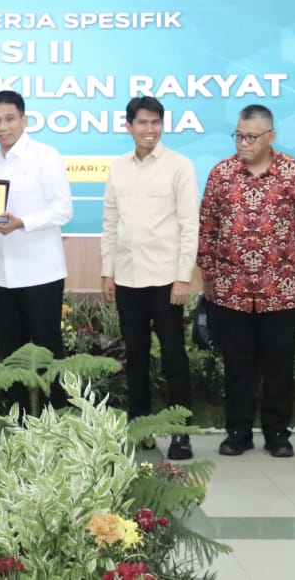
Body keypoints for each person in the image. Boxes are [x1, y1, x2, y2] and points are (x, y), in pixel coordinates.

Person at [197, 104, 295, 459]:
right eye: (238, 136)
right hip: (230, 290)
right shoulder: (221, 174)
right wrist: (208, 274)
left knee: (279, 365)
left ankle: (277, 434)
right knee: (237, 365)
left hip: (282, 289)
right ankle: (237, 432)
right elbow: (207, 228)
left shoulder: (293, 173)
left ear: (271, 137)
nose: (243, 143)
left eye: (251, 137)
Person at [0, 91, 73, 410]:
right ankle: (18, 422)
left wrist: (22, 223)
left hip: (41, 273)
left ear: (24, 119)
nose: (2, 126)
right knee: (11, 353)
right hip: (2, 274)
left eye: (9, 119)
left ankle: (56, 422)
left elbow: (63, 210)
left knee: (47, 353)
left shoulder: (45, 156)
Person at [100, 96, 198, 460]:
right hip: (127, 277)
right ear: (129, 127)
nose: (149, 129)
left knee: (174, 356)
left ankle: (180, 432)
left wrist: (183, 277)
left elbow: (189, 225)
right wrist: (107, 271)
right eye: (142, 123)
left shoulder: (179, 165)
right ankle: (139, 427)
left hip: (166, 279)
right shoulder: (117, 168)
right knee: (136, 356)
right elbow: (110, 222)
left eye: (155, 122)